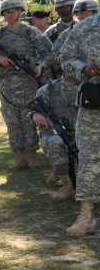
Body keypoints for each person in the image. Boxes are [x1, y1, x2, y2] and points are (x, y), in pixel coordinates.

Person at [0, 0, 52, 171]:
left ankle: (31, 157)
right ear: (3, 14)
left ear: (21, 11)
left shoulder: (31, 32)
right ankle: (19, 158)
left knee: (28, 120)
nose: (10, 14)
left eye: (14, 10)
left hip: (28, 83)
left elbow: (49, 53)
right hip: (6, 85)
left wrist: (40, 66)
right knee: (12, 122)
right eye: (7, 11)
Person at [60, 9, 100, 237]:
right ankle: (87, 216)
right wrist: (82, 67)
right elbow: (65, 58)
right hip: (94, 102)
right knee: (88, 159)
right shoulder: (86, 27)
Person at [28, 73, 78, 201]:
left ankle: (59, 172)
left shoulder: (89, 84)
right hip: (57, 133)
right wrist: (35, 115)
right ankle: (67, 185)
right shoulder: (50, 88)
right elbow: (32, 109)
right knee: (54, 142)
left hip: (84, 133)